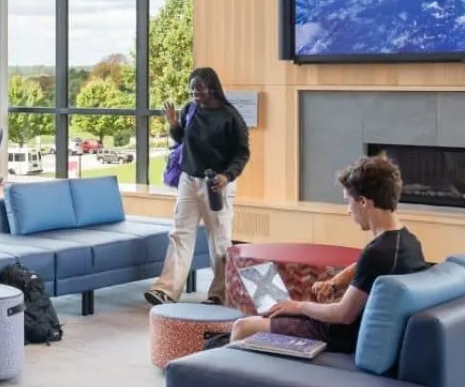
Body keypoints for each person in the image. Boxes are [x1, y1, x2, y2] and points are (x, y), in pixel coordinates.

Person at [227, 155, 426, 358]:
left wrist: (299, 307)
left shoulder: (376, 253)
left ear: (364, 202)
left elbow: (343, 314)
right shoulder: (409, 242)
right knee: (280, 309)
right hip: (349, 329)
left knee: (243, 327)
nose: (349, 210)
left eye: (348, 202)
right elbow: (366, 267)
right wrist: (334, 283)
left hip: (338, 335)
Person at [148, 66, 249, 306]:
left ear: (212, 88)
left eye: (199, 88)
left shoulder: (230, 116)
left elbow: (242, 153)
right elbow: (181, 139)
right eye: (192, 88)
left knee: (219, 240)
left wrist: (227, 176)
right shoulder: (190, 110)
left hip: (216, 183)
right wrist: (173, 123)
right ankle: (167, 290)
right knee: (179, 234)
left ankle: (219, 294)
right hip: (188, 179)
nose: (194, 92)